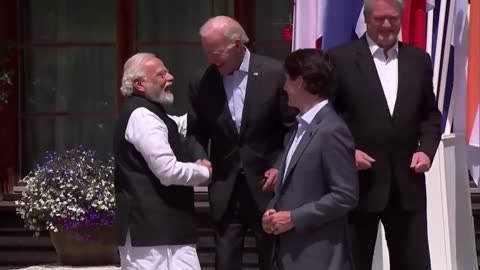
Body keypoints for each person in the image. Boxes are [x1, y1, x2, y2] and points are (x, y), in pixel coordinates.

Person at [328, 0, 442, 269]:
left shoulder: (418, 59)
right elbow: (327, 117)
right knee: (354, 262)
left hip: (407, 185)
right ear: (367, 21)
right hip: (358, 184)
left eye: (393, 18)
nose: (387, 25)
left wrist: (426, 150)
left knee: (413, 263)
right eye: (380, 19)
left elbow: (430, 115)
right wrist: (347, 151)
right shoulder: (339, 59)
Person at [186, 16, 296, 270]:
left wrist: (281, 166)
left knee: (272, 260)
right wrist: (199, 156)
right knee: (225, 262)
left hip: (267, 186)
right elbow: (195, 132)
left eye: (216, 54)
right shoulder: (202, 80)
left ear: (236, 44)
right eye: (207, 54)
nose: (212, 61)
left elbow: (293, 128)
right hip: (225, 188)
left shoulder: (275, 73)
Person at [113, 52, 212, 270]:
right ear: (139, 84)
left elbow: (172, 126)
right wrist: (203, 172)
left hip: (158, 234)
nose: (170, 77)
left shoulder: (147, 114)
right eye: (161, 74)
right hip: (156, 237)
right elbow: (167, 172)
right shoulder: (143, 117)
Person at [262, 48, 358, 270]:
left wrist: (294, 218)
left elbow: (345, 195)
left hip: (319, 258)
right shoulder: (300, 127)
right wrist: (272, 211)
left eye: (287, 80)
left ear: (300, 82)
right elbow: (291, 185)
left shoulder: (332, 130)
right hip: (289, 255)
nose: (284, 87)